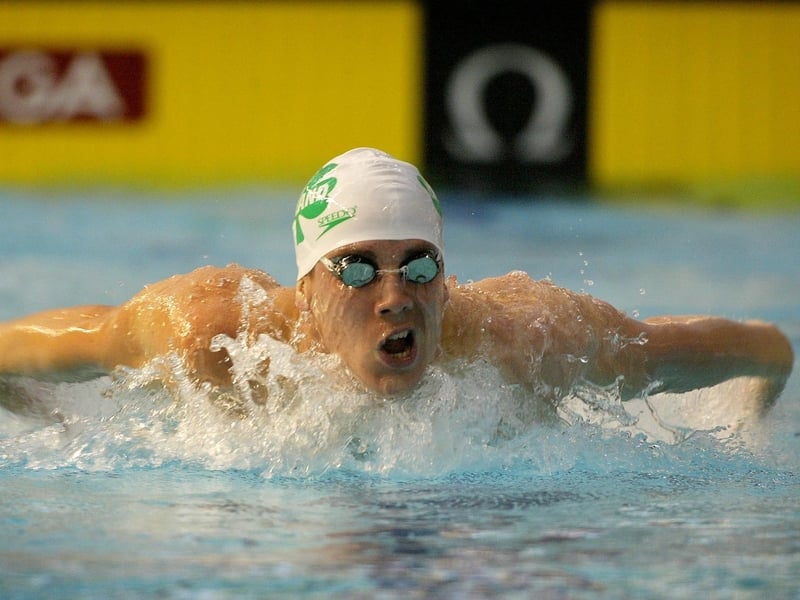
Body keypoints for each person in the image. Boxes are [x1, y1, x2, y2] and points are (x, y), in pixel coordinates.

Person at [0, 148, 794, 414]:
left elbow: (754, 349)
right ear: (306, 283)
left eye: (419, 264)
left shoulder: (529, 341)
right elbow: (77, 338)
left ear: (447, 281)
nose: (394, 293)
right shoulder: (214, 337)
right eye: (355, 267)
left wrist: (762, 404)